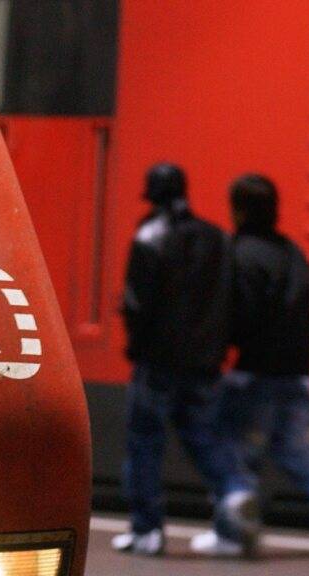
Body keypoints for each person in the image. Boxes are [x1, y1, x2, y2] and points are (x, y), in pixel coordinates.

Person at [206, 173, 309, 556]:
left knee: (228, 446)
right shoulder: (294, 254)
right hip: (299, 373)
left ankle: (232, 531)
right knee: (292, 448)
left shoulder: (238, 252)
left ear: (239, 210)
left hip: (254, 371)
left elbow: (236, 315)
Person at [111, 163, 237, 556]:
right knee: (207, 442)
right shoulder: (216, 236)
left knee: (144, 444)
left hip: (157, 363)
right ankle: (233, 518)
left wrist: (136, 345)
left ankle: (147, 530)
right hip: (204, 364)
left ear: (152, 194)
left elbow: (137, 303)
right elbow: (228, 299)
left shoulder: (149, 236)